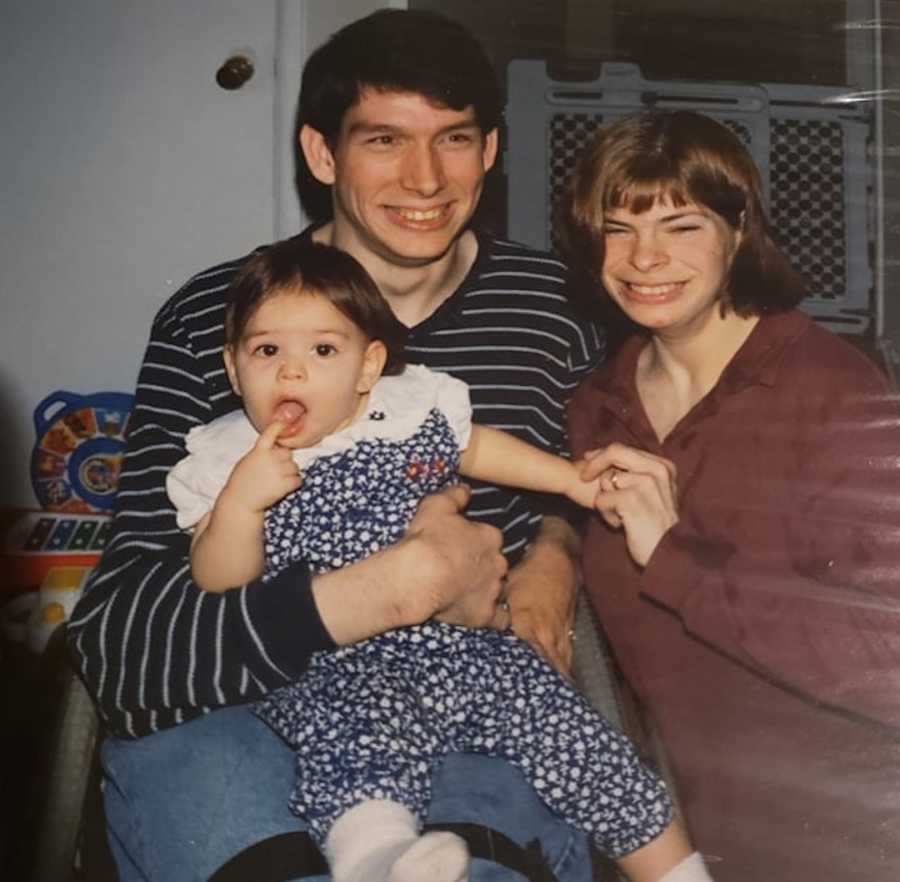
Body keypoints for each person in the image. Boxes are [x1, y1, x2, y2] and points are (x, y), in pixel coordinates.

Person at [68, 10, 606, 882]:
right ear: (322, 156)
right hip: (237, 720)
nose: (425, 177)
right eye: (385, 139)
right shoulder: (222, 319)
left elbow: (602, 497)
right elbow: (123, 644)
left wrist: (557, 545)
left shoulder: (554, 313)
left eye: (455, 139)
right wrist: (387, 590)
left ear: (492, 148)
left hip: (465, 709)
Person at [168, 238, 712, 882]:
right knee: (360, 738)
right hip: (333, 661)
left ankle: (676, 871)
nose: (292, 373)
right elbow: (218, 579)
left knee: (567, 727)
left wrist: (568, 481)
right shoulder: (227, 457)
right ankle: (377, 859)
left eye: (322, 350)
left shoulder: (407, 409)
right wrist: (240, 507)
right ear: (233, 370)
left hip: (460, 644)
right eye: (266, 351)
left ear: (368, 367)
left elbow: (477, 448)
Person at [563, 109, 900, 882]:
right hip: (678, 843)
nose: (644, 257)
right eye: (618, 228)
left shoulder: (831, 390)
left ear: (737, 229)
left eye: (680, 225)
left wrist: (676, 559)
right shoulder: (597, 405)